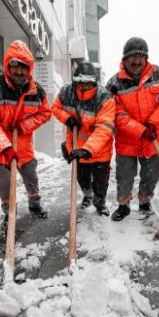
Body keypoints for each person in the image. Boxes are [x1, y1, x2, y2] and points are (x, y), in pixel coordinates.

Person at [0, 40, 52, 228]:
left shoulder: (36, 91)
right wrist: (5, 146)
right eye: (15, 66)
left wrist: (25, 125)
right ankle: (9, 213)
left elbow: (45, 113)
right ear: (7, 66)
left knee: (31, 177)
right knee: (4, 183)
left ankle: (34, 205)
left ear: (30, 68)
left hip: (23, 145)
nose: (19, 72)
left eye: (24, 68)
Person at [105, 37, 159, 221]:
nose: (137, 61)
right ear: (124, 59)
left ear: (146, 58)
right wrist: (139, 130)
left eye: (141, 56)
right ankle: (123, 205)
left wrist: (154, 123)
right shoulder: (114, 83)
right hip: (127, 140)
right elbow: (117, 115)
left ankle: (145, 201)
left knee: (151, 176)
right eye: (132, 57)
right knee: (125, 176)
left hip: (154, 137)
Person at [52, 62, 115, 216]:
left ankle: (100, 203)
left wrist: (88, 149)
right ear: (75, 82)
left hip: (99, 150)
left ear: (94, 81)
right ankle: (88, 195)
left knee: (100, 183)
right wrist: (67, 118)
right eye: (81, 83)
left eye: (88, 83)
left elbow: (104, 128)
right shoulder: (67, 92)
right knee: (82, 179)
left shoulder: (104, 97)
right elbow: (55, 108)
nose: (85, 86)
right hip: (75, 147)